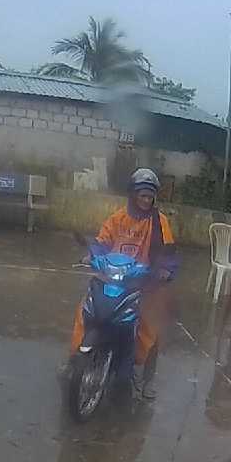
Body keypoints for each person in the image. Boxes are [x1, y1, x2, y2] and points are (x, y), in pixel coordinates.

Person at [69, 167, 178, 399]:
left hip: (144, 282)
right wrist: (92, 255)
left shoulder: (160, 222)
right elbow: (101, 242)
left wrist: (165, 270)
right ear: (133, 194)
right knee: (84, 311)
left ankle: (147, 378)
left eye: (150, 196)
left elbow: (168, 252)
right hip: (113, 278)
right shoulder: (118, 218)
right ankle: (76, 358)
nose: (146, 200)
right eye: (142, 195)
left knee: (152, 325)